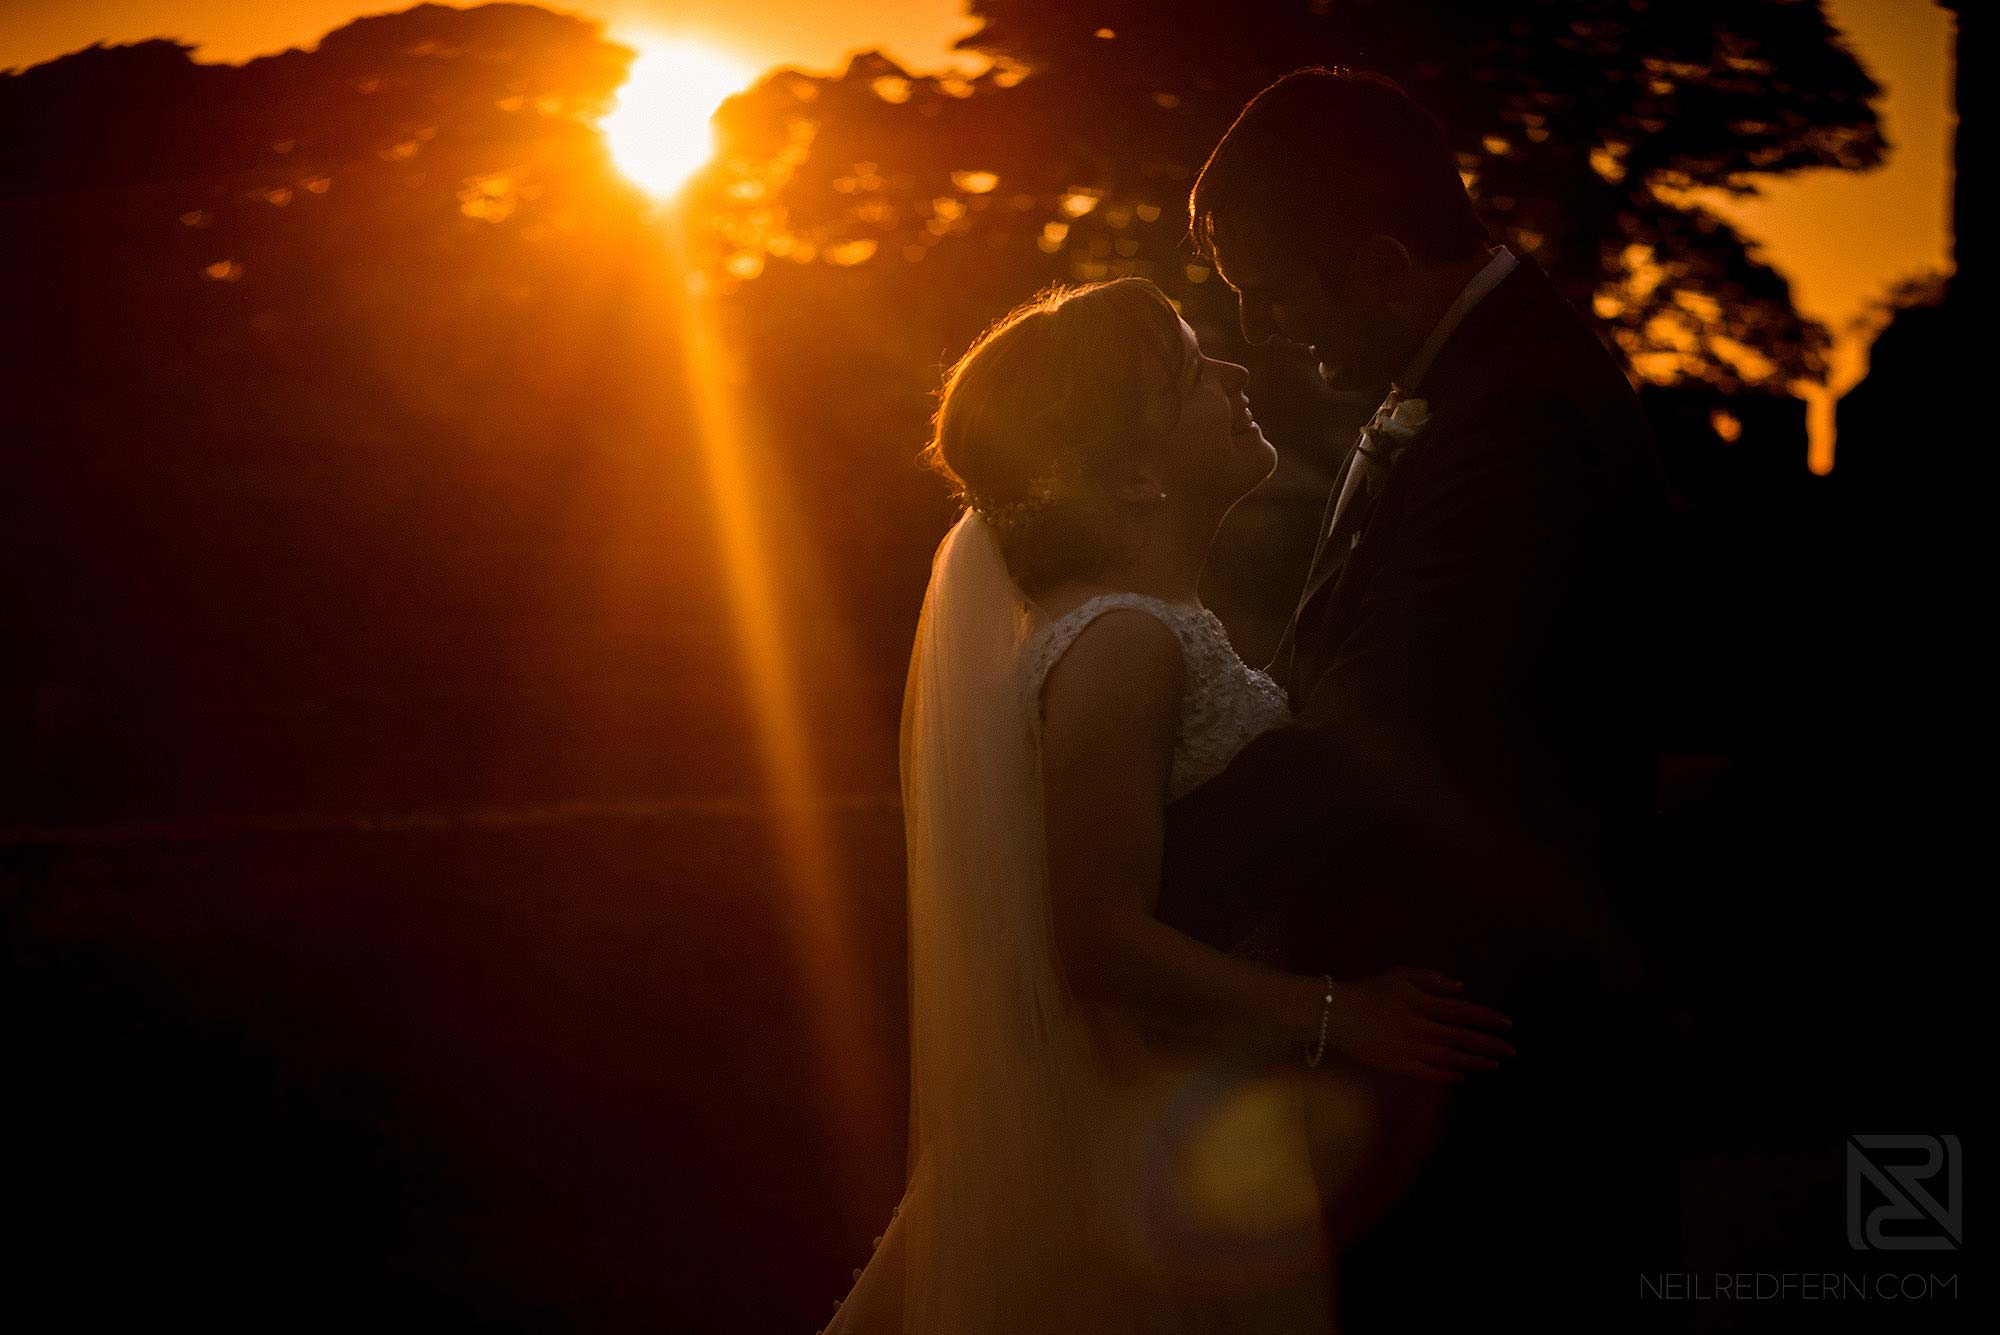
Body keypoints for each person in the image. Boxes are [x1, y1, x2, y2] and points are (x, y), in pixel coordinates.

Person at [820, 276, 1515, 1333]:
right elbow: (1093, 939)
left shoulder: (1126, 628)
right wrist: (1344, 1014)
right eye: (1191, 373)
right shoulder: (1122, 644)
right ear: (1132, 469)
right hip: (1140, 1147)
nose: (1234, 373)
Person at [1161, 67, 1682, 1328]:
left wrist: (1150, 880)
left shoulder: (1516, 422)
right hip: (1441, 1014)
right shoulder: (1477, 380)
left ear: (1380, 263)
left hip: (1491, 1030)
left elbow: (1382, 730)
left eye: (1278, 299)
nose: (1279, 335)